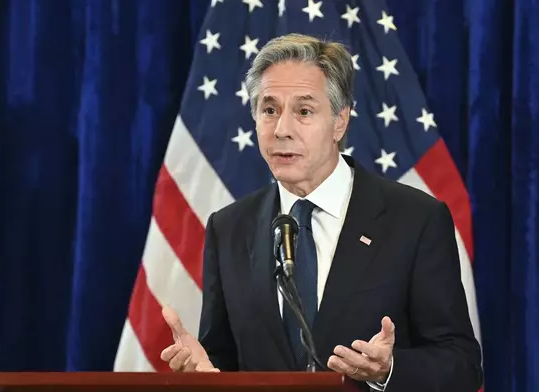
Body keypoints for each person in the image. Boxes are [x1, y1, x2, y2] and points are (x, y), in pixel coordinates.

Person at [160, 33, 483, 392]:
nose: (282, 130)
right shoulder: (230, 228)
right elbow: (226, 358)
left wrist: (388, 369)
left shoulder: (415, 219)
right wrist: (208, 374)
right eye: (269, 109)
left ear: (340, 121)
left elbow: (462, 365)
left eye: (303, 111)